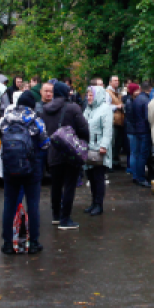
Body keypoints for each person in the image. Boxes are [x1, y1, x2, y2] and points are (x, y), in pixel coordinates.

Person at [0, 91, 48, 253]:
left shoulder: (5, 119)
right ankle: (33, 243)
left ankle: (7, 243)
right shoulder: (35, 121)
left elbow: (1, 137)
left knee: (9, 204)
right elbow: (45, 144)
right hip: (31, 169)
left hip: (10, 167)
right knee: (33, 204)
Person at [40, 81, 90, 229]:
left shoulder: (45, 109)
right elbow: (84, 128)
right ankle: (65, 219)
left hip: (53, 152)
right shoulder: (73, 108)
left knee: (55, 185)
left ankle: (56, 215)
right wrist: (82, 142)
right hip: (70, 153)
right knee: (69, 185)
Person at [84, 85, 114, 213]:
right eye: (88, 95)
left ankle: (99, 205)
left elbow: (107, 129)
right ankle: (93, 202)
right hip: (88, 148)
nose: (89, 97)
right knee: (90, 177)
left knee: (98, 177)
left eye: (91, 95)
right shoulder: (88, 109)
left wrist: (104, 145)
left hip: (99, 149)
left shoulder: (105, 109)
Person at [126, 82, 151, 187]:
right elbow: (146, 117)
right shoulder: (142, 100)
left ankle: (136, 175)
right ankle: (138, 176)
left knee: (136, 154)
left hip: (135, 130)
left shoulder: (134, 100)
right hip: (138, 130)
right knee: (139, 154)